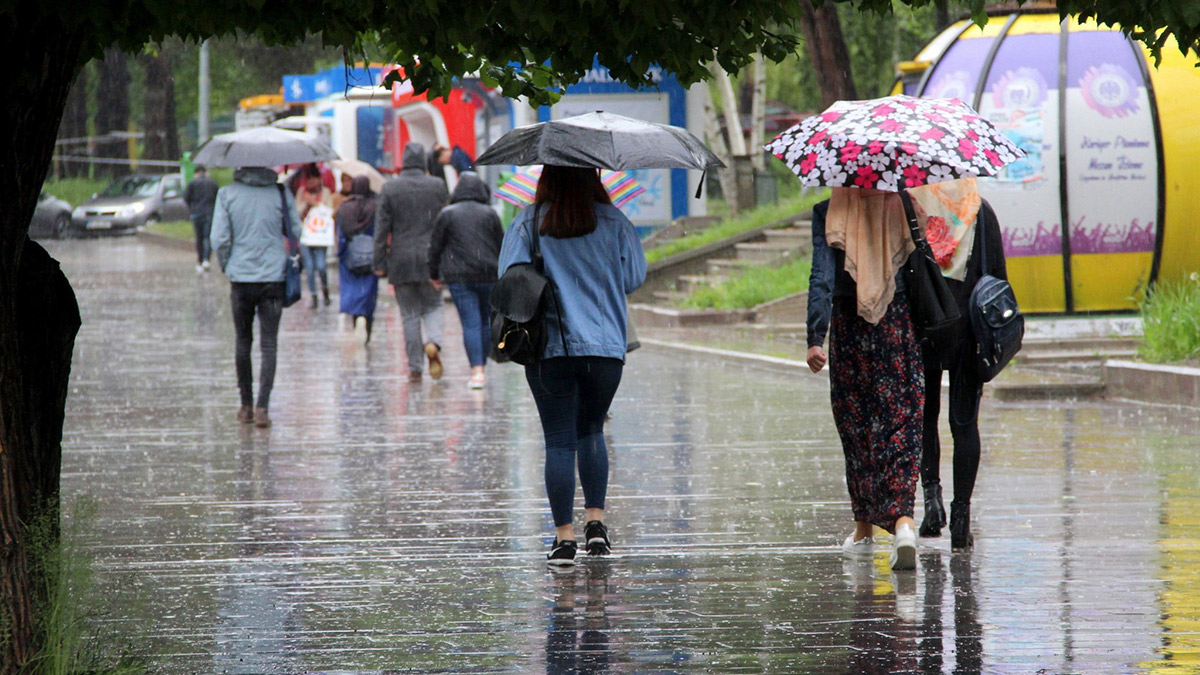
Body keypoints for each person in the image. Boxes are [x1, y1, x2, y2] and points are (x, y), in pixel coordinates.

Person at [497, 165, 647, 566]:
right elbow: (633, 277)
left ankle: (564, 539)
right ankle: (596, 527)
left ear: (546, 177)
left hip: (549, 347)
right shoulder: (615, 220)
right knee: (592, 431)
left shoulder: (528, 222)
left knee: (559, 440)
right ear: (593, 177)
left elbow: (508, 279)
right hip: (604, 348)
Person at [805, 187, 924, 571]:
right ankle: (904, 524)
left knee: (857, 427)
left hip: (848, 328)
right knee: (900, 422)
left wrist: (814, 337)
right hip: (897, 325)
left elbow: (820, 276)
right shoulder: (904, 205)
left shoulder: (829, 211)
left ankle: (864, 533)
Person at [910, 179, 1008, 550]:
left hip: (924, 326)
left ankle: (932, 503)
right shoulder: (982, 212)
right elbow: (997, 280)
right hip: (969, 329)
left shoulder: (913, 209)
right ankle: (961, 518)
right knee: (964, 423)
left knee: (924, 417)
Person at [210, 166, 301, 429]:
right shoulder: (280, 193)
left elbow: (218, 239)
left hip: (241, 279)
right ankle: (263, 407)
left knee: (242, 341)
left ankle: (246, 405)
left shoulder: (227, 194)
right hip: (274, 278)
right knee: (269, 344)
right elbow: (295, 230)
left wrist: (229, 265)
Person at [374, 142, 450, 381]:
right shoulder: (437, 186)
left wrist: (379, 262)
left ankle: (415, 368)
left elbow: (381, 229)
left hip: (401, 259)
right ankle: (434, 343)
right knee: (434, 305)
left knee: (409, 315)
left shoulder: (390, 188)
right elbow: (444, 223)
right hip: (431, 258)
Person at [428, 172, 505, 389]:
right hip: (489, 274)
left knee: (470, 323)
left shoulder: (447, 214)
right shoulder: (489, 213)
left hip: (459, 277)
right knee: (485, 322)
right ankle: (483, 367)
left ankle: (477, 371)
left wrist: (434, 273)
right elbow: (501, 244)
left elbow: (436, 247)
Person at [335, 175, 381, 344]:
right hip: (370, 257)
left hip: (350, 258)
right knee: (368, 293)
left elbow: (341, 236)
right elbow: (379, 232)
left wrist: (340, 253)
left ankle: (356, 319)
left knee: (353, 292)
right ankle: (367, 326)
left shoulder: (344, 208)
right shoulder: (375, 208)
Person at [295, 164, 332, 309]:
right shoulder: (302, 193)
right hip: (306, 235)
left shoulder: (326, 193)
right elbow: (296, 213)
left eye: (313, 179)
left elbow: (329, 212)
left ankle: (325, 289)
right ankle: (314, 295)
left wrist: (316, 203)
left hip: (320, 236)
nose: (311, 183)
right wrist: (305, 203)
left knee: (321, 266)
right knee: (309, 268)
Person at [185, 165, 219, 273]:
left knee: (199, 238)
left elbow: (186, 198)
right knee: (208, 237)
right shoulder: (213, 183)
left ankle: (199, 260)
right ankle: (206, 259)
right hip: (209, 213)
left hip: (197, 213)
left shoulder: (192, 183)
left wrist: (192, 208)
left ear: (196, 173)